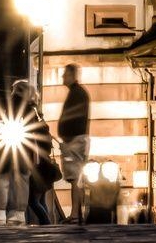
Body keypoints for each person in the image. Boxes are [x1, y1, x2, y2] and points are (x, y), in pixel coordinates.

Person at [55, 66, 90, 225]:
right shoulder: (78, 93)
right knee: (76, 178)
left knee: (75, 178)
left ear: (71, 75)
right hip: (75, 139)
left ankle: (76, 214)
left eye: (65, 74)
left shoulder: (77, 93)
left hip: (74, 140)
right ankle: (77, 213)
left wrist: (67, 137)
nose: (63, 77)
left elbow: (75, 117)